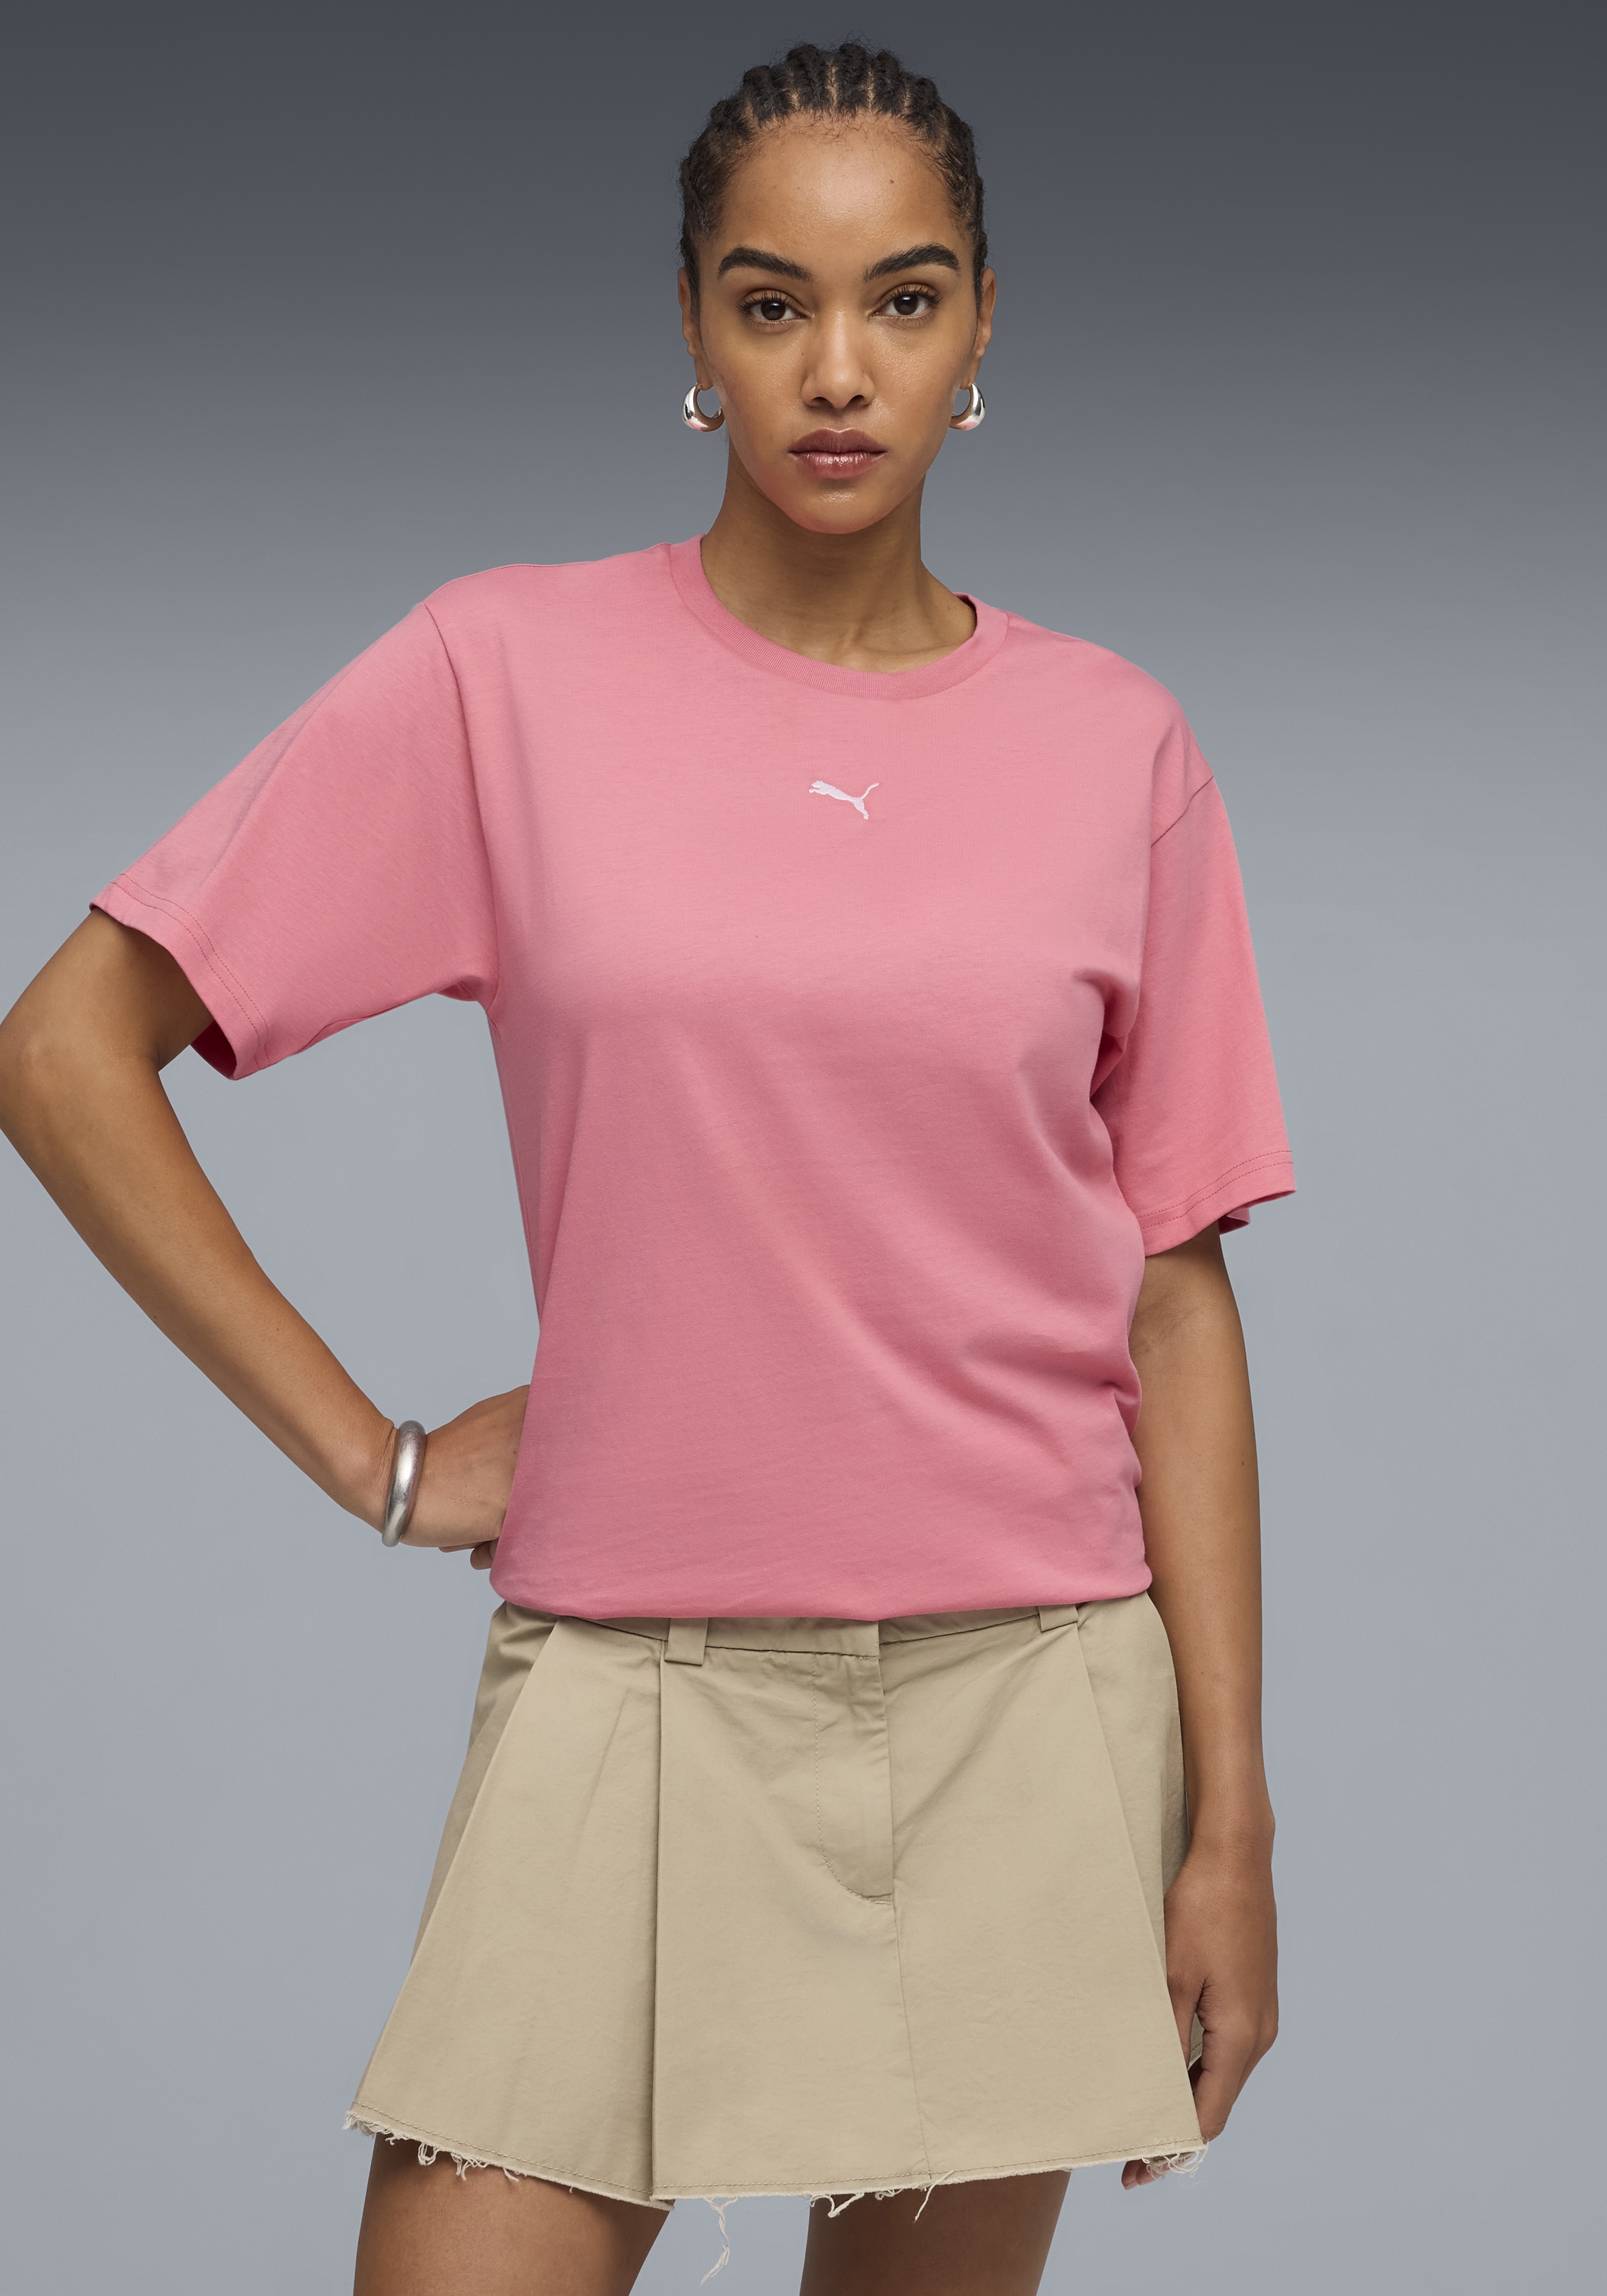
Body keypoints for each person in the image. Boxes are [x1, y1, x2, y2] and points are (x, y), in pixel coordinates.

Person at [0, 40, 1291, 2296]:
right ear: (692, 326)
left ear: (982, 325)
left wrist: (1234, 1830)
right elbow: (64, 1053)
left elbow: (1173, 1297)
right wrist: (382, 1461)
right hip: (637, 1677)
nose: (837, 370)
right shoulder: (503, 674)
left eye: (901, 299)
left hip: (1027, 1691)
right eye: (771, 301)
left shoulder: (1117, 746)